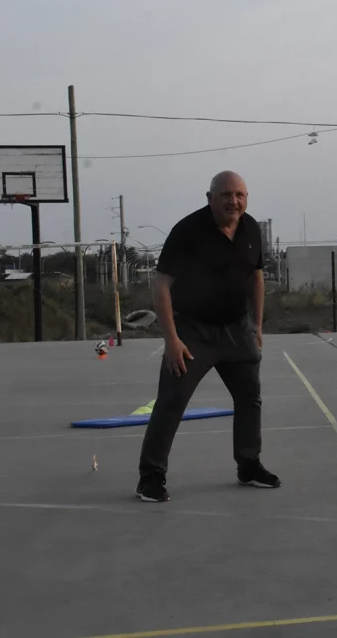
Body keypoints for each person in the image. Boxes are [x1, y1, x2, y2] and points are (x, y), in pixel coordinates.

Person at [137, 171, 279, 503]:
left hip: (238, 329)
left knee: (250, 399)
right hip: (193, 331)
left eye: (240, 195)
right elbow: (160, 284)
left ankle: (248, 464)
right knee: (172, 402)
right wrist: (171, 340)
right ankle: (150, 477)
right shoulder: (188, 231)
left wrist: (257, 325)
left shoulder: (251, 229)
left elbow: (257, 277)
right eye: (226, 194)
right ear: (210, 197)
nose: (234, 201)